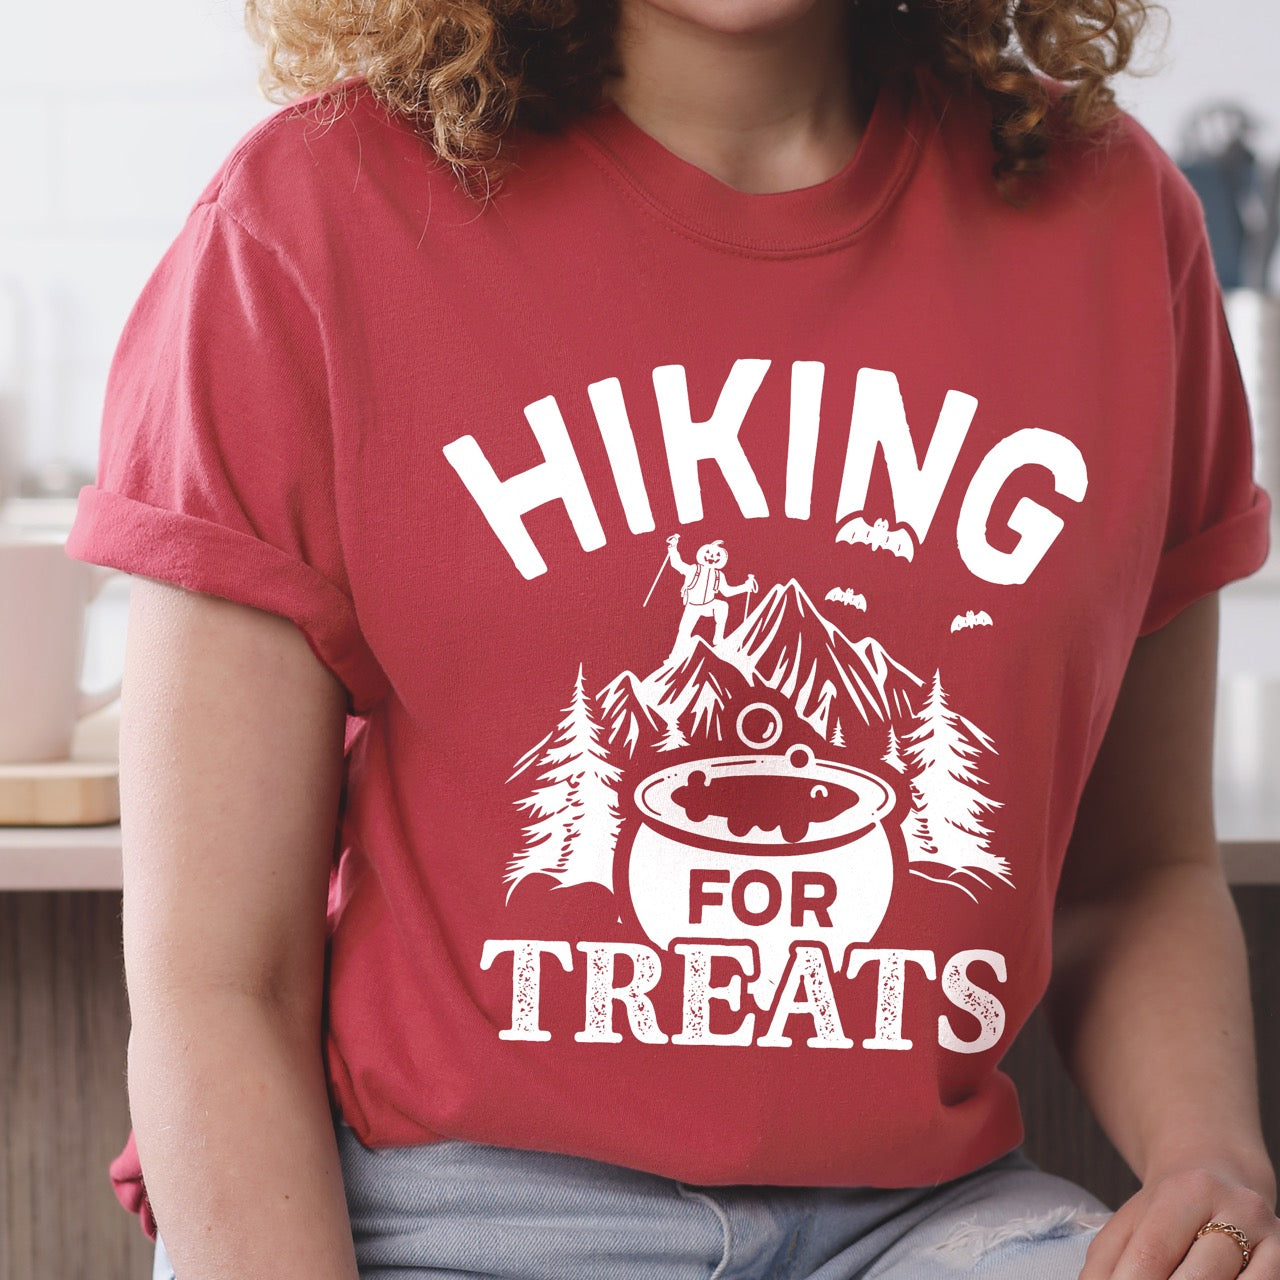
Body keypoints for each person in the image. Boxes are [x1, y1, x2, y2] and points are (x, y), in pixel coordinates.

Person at [63, 0, 1279, 1277]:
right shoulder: (301, 223)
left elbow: (1130, 871)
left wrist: (1213, 1157)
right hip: (445, 1218)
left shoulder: (1118, 225)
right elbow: (218, 985)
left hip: (924, 1224)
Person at [663, 535, 758, 656]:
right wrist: (673, 546)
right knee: (684, 631)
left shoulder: (719, 575)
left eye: (718, 555)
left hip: (708, 604)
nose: (712, 557)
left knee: (722, 606)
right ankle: (675, 656)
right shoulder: (693, 569)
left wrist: (745, 587)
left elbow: (727, 592)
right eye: (708, 552)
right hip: (693, 606)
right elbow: (677, 564)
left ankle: (718, 639)